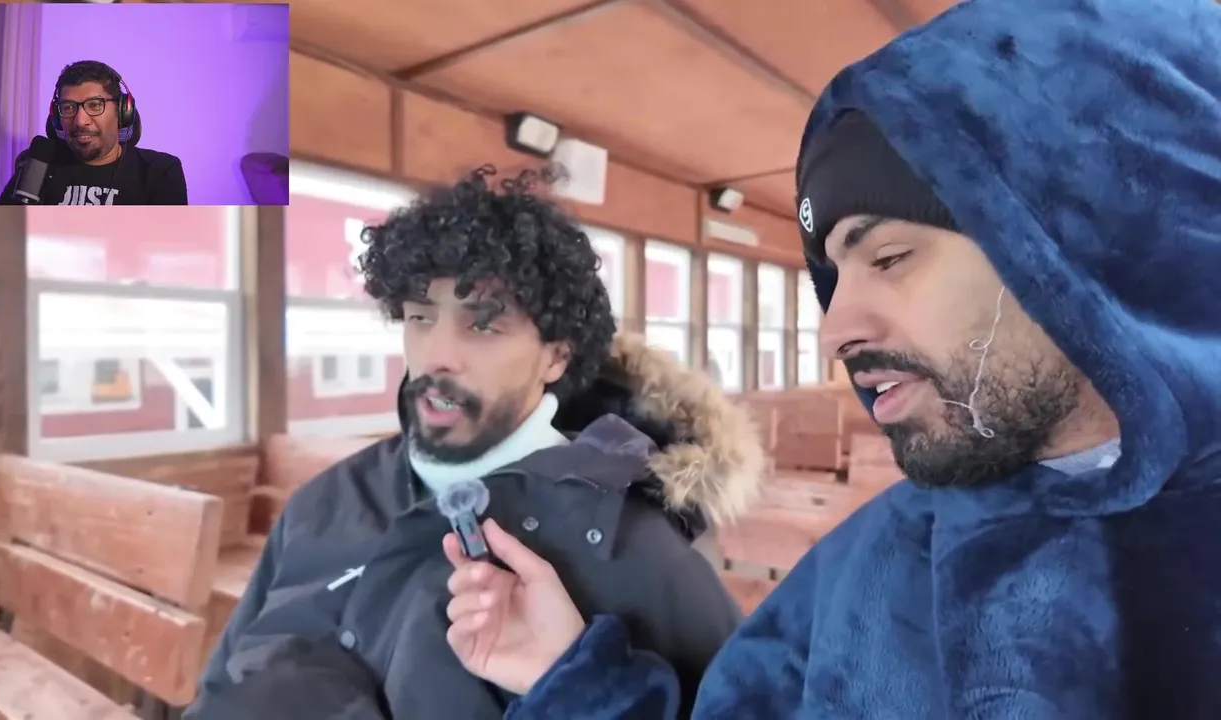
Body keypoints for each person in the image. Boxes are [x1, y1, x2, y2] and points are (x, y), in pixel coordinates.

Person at [443, 0, 1221, 716]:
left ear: (1083, 248)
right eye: (833, 277)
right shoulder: (873, 560)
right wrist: (569, 680)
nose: (833, 332)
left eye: (889, 257)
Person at [184, 165, 766, 718]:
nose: (437, 355)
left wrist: (579, 683)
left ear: (556, 356)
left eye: (483, 325)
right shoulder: (323, 503)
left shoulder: (639, 555)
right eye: (419, 317)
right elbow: (221, 688)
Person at [0, 60, 187, 205]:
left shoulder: (159, 171)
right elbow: (1, 235)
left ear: (122, 112)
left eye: (95, 105)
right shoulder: (38, 165)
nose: (80, 121)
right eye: (68, 107)